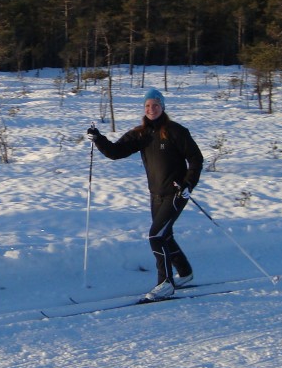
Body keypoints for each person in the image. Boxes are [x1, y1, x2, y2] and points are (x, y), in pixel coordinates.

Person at [87, 87, 204, 301]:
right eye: (148, 105)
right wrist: (98, 138)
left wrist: (188, 184)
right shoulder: (141, 133)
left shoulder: (175, 131)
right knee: (164, 235)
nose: (151, 109)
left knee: (155, 236)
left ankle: (165, 283)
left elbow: (196, 159)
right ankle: (185, 273)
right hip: (156, 194)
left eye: (156, 105)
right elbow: (115, 152)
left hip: (176, 193)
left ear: (163, 107)